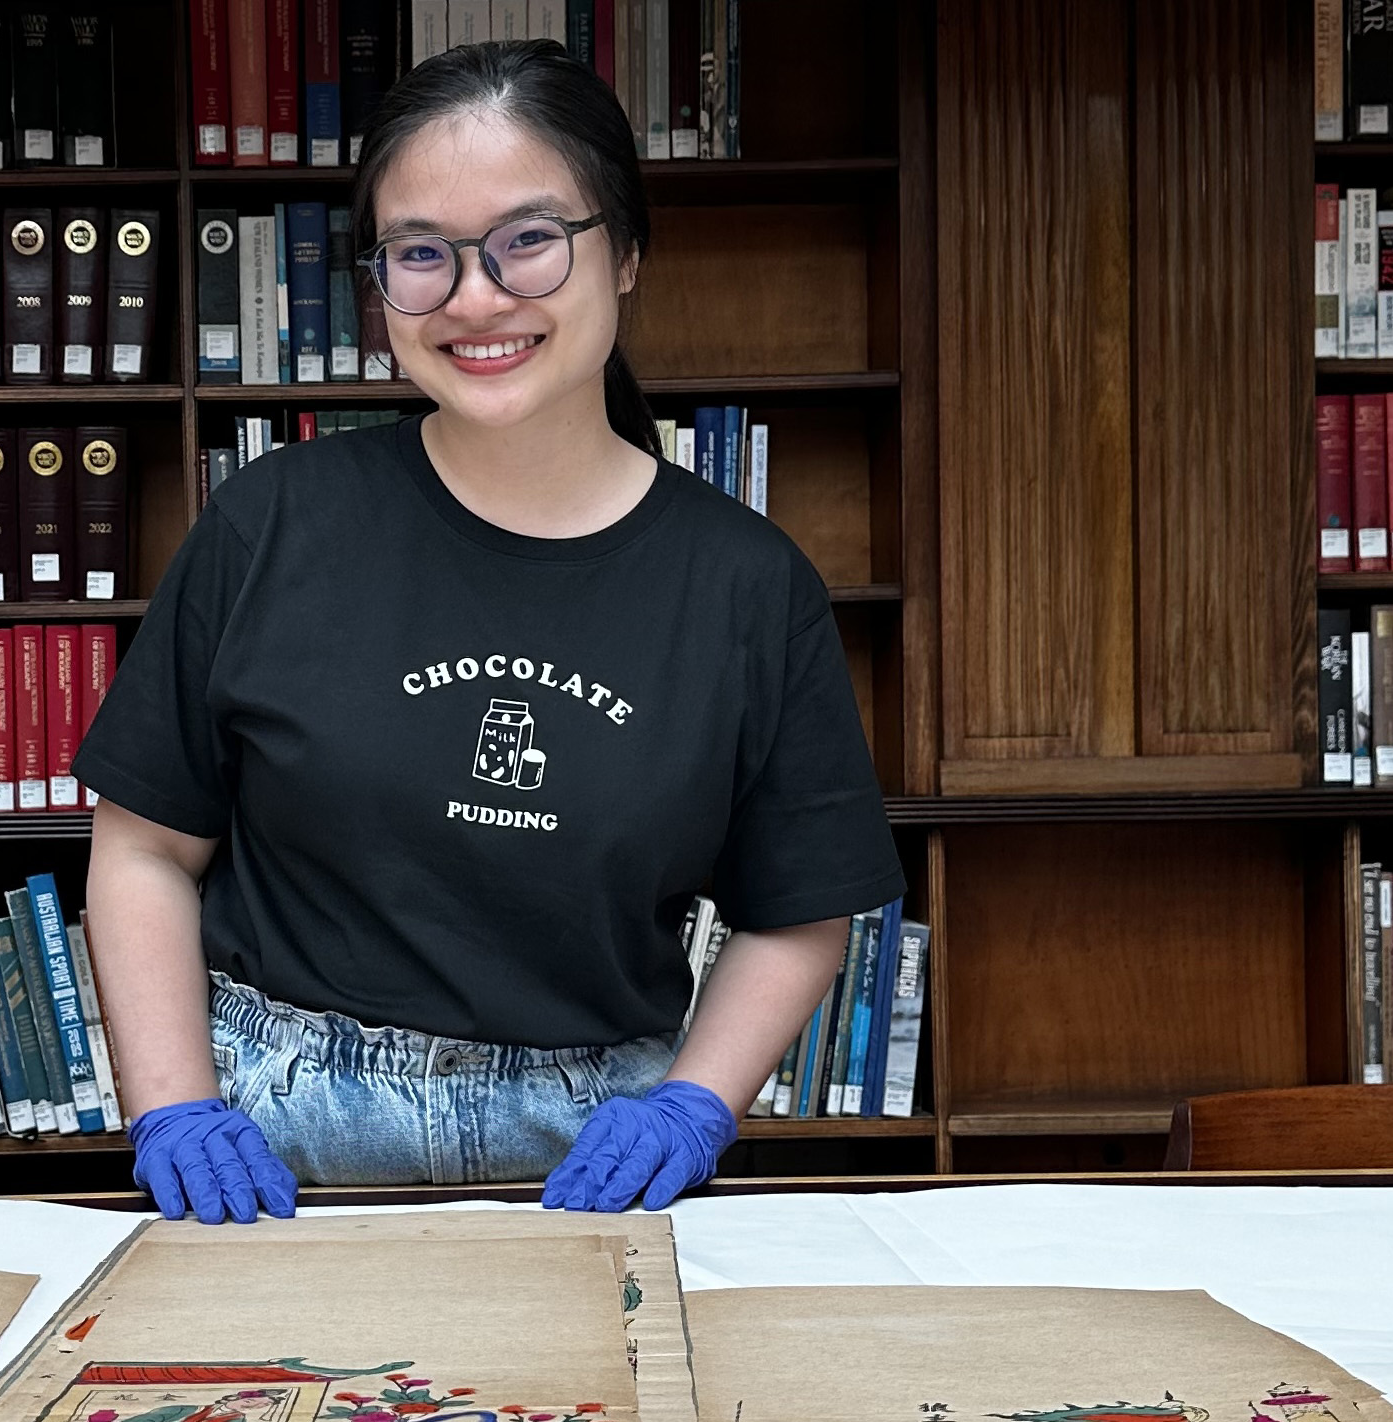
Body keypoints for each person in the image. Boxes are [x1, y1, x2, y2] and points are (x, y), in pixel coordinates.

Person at [73, 39, 901, 1220]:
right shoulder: (275, 521)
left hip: (596, 1150)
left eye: (528, 241)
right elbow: (145, 846)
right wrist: (173, 1104)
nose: (474, 298)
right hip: (274, 1135)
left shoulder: (746, 586)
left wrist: (693, 1102)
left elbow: (799, 912)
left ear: (626, 254)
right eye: (422, 255)